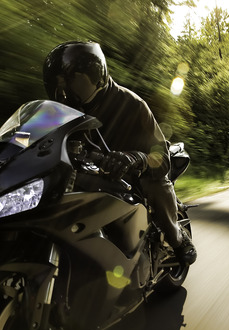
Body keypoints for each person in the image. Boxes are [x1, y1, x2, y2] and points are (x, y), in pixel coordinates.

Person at [42, 41, 196, 265]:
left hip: (135, 175)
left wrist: (135, 158)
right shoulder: (59, 112)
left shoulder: (132, 105)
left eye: (74, 82)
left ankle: (178, 240)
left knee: (155, 183)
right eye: (60, 86)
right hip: (94, 176)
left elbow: (162, 159)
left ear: (96, 76)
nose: (66, 93)